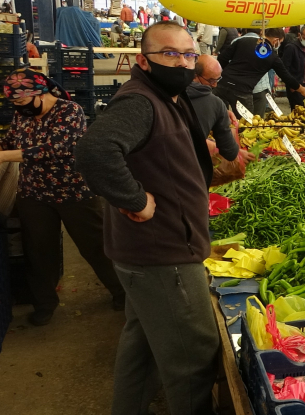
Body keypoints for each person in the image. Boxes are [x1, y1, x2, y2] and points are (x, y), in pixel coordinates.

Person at [74, 21, 218, 415]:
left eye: (189, 55)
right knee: (193, 353)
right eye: (169, 54)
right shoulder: (140, 100)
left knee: (144, 345)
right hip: (163, 253)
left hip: (148, 253)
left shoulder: (167, 95)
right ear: (144, 60)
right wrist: (136, 200)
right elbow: (95, 151)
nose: (182, 63)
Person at [0, 69, 125, 326]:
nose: (19, 108)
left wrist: (3, 157)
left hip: (74, 190)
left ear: (40, 93)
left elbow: (56, 148)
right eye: (15, 104)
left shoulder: (70, 111)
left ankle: (122, 292)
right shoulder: (22, 114)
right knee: (38, 251)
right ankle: (44, 304)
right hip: (33, 192)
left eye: (22, 102)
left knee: (97, 246)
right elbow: (11, 141)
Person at [216, 28, 305, 113]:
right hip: (243, 91)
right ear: (276, 40)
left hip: (222, 85)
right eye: (280, 42)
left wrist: (227, 72)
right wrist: (301, 89)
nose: (279, 45)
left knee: (218, 118)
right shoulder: (273, 56)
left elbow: (221, 58)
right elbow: (286, 76)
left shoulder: (244, 41)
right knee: (246, 126)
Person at [187, 55, 240, 158]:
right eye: (211, 81)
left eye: (218, 79)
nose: (215, 85)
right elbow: (230, 152)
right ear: (195, 75)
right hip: (193, 164)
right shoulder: (216, 103)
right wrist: (232, 128)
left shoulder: (168, 93)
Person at [281, 25, 305, 108]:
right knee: (298, 112)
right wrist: (292, 85)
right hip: (296, 85)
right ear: (299, 35)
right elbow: (285, 69)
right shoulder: (291, 47)